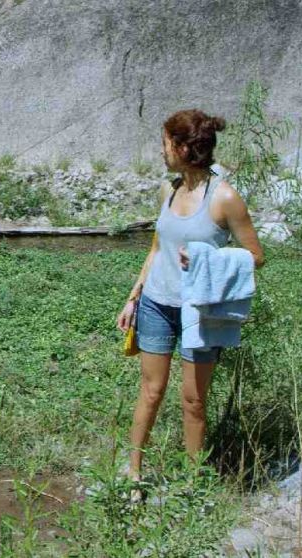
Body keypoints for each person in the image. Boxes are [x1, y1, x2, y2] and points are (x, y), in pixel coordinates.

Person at [116, 109, 265, 486]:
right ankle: (132, 474)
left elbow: (255, 256)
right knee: (151, 392)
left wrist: (206, 258)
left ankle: (192, 483)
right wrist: (134, 296)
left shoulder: (225, 197)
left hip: (199, 311)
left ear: (183, 147)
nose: (162, 151)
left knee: (193, 402)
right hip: (156, 304)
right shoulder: (170, 189)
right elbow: (156, 247)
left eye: (165, 143)